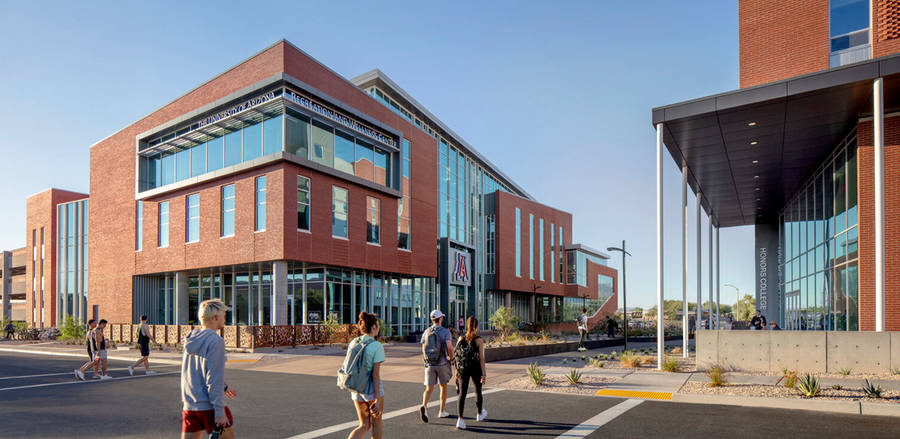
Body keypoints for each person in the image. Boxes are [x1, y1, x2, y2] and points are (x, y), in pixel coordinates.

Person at [181, 299, 237, 439]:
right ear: (216, 317)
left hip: (190, 406)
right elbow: (213, 377)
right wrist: (219, 412)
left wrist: (224, 387)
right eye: (224, 316)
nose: (225, 319)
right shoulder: (216, 341)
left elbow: (196, 371)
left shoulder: (191, 338)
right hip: (210, 407)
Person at [347, 312, 385, 439]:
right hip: (371, 390)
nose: (378, 327)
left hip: (356, 387)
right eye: (377, 325)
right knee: (376, 422)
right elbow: (375, 375)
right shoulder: (376, 346)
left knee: (364, 425)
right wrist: (378, 399)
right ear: (374, 327)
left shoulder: (354, 342)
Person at [419, 309, 453, 424]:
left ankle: (424, 405)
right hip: (442, 363)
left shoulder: (426, 331)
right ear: (441, 319)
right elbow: (449, 348)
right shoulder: (445, 332)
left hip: (429, 364)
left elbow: (423, 347)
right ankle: (441, 411)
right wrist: (451, 359)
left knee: (429, 388)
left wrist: (426, 361)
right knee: (443, 387)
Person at [454, 316, 487, 430]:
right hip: (475, 368)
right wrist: (484, 374)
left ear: (467, 326)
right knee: (478, 391)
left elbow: (457, 356)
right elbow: (482, 359)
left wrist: (456, 371)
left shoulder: (460, 338)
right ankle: (479, 414)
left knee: (462, 393)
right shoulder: (479, 340)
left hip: (463, 369)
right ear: (476, 326)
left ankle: (460, 419)